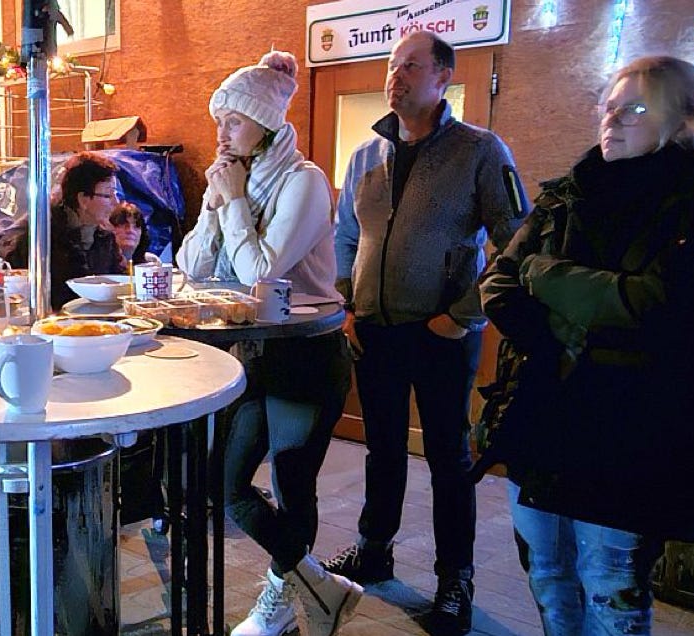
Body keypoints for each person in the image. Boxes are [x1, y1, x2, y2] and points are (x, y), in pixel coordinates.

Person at [479, 56, 694, 636]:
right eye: (608, 107)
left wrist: (544, 275)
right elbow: (497, 284)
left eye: (634, 108)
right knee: (548, 573)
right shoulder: (568, 195)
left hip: (632, 432)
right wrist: (568, 328)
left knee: (611, 585)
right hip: (543, 414)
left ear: (684, 122)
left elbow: (660, 308)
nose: (612, 119)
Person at [326, 31, 525, 633]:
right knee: (383, 450)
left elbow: (518, 242)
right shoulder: (367, 155)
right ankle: (374, 550)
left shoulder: (479, 150)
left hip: (442, 334)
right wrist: (348, 304)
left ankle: (454, 579)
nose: (396, 75)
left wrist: (463, 314)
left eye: (411, 66)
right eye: (393, 65)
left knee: (448, 458)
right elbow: (345, 235)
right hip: (376, 331)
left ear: (443, 78)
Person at [174, 50, 361, 636]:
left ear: (266, 122)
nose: (221, 132)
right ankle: (322, 587)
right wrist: (214, 207)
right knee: (226, 486)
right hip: (253, 353)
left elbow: (260, 273)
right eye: (219, 120)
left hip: (307, 355)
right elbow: (191, 267)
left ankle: (280, 604)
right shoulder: (236, 181)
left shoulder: (304, 182)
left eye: (233, 119)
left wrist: (233, 202)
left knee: (292, 484)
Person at [0, 150, 127, 308]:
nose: (116, 202)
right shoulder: (43, 235)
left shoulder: (104, 235)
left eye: (116, 194)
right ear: (83, 199)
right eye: (108, 195)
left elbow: (119, 278)